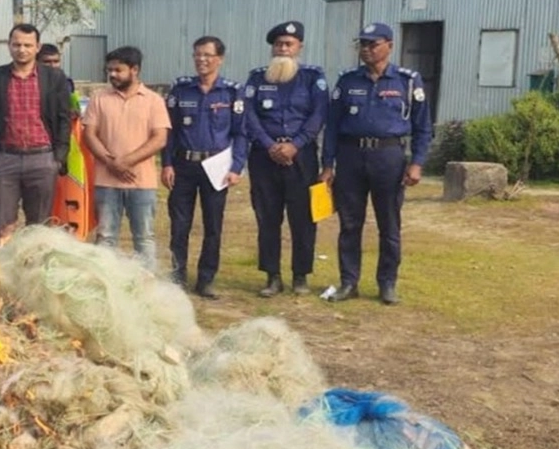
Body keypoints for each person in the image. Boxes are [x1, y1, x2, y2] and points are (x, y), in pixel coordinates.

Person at [321, 22, 432, 305]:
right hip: (351, 156)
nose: (367, 49)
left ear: (389, 46)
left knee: (389, 225)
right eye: (363, 44)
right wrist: (328, 165)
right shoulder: (347, 81)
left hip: (389, 158)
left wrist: (417, 163)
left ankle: (387, 284)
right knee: (349, 224)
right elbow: (332, 125)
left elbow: (423, 126)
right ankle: (349, 282)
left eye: (373, 44)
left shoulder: (407, 80)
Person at [243, 20, 328, 297]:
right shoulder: (257, 78)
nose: (283, 48)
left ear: (299, 47)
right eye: (278, 44)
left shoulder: (313, 77)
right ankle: (272, 276)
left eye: (289, 44)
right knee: (267, 218)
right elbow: (249, 116)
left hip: (301, 158)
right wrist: (269, 146)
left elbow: (318, 115)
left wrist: (296, 145)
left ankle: (300, 276)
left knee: (303, 218)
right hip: (264, 158)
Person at [161, 36, 247, 298]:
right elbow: (170, 131)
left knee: (213, 226)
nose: (202, 60)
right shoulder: (181, 89)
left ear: (219, 58)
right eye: (197, 55)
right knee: (179, 224)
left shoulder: (232, 92)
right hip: (184, 164)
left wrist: (237, 167)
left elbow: (241, 133)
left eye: (208, 55)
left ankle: (206, 279)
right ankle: (177, 275)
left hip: (216, 167)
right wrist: (166, 164)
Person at [0, 23, 72, 243]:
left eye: (28, 45)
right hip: (4, 159)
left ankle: (32, 273)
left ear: (37, 47)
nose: (22, 50)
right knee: (3, 226)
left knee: (38, 229)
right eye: (17, 44)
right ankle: (0, 273)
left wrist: (59, 158)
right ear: (9, 46)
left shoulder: (54, 78)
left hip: (42, 159)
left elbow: (63, 118)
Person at [82, 46, 170, 268]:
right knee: (105, 238)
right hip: (105, 181)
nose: (112, 75)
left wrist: (126, 162)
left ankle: (148, 288)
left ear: (135, 70)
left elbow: (159, 138)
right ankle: (103, 287)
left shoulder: (153, 100)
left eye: (118, 70)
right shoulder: (99, 98)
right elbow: (89, 134)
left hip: (141, 182)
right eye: (109, 70)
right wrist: (111, 163)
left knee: (144, 238)